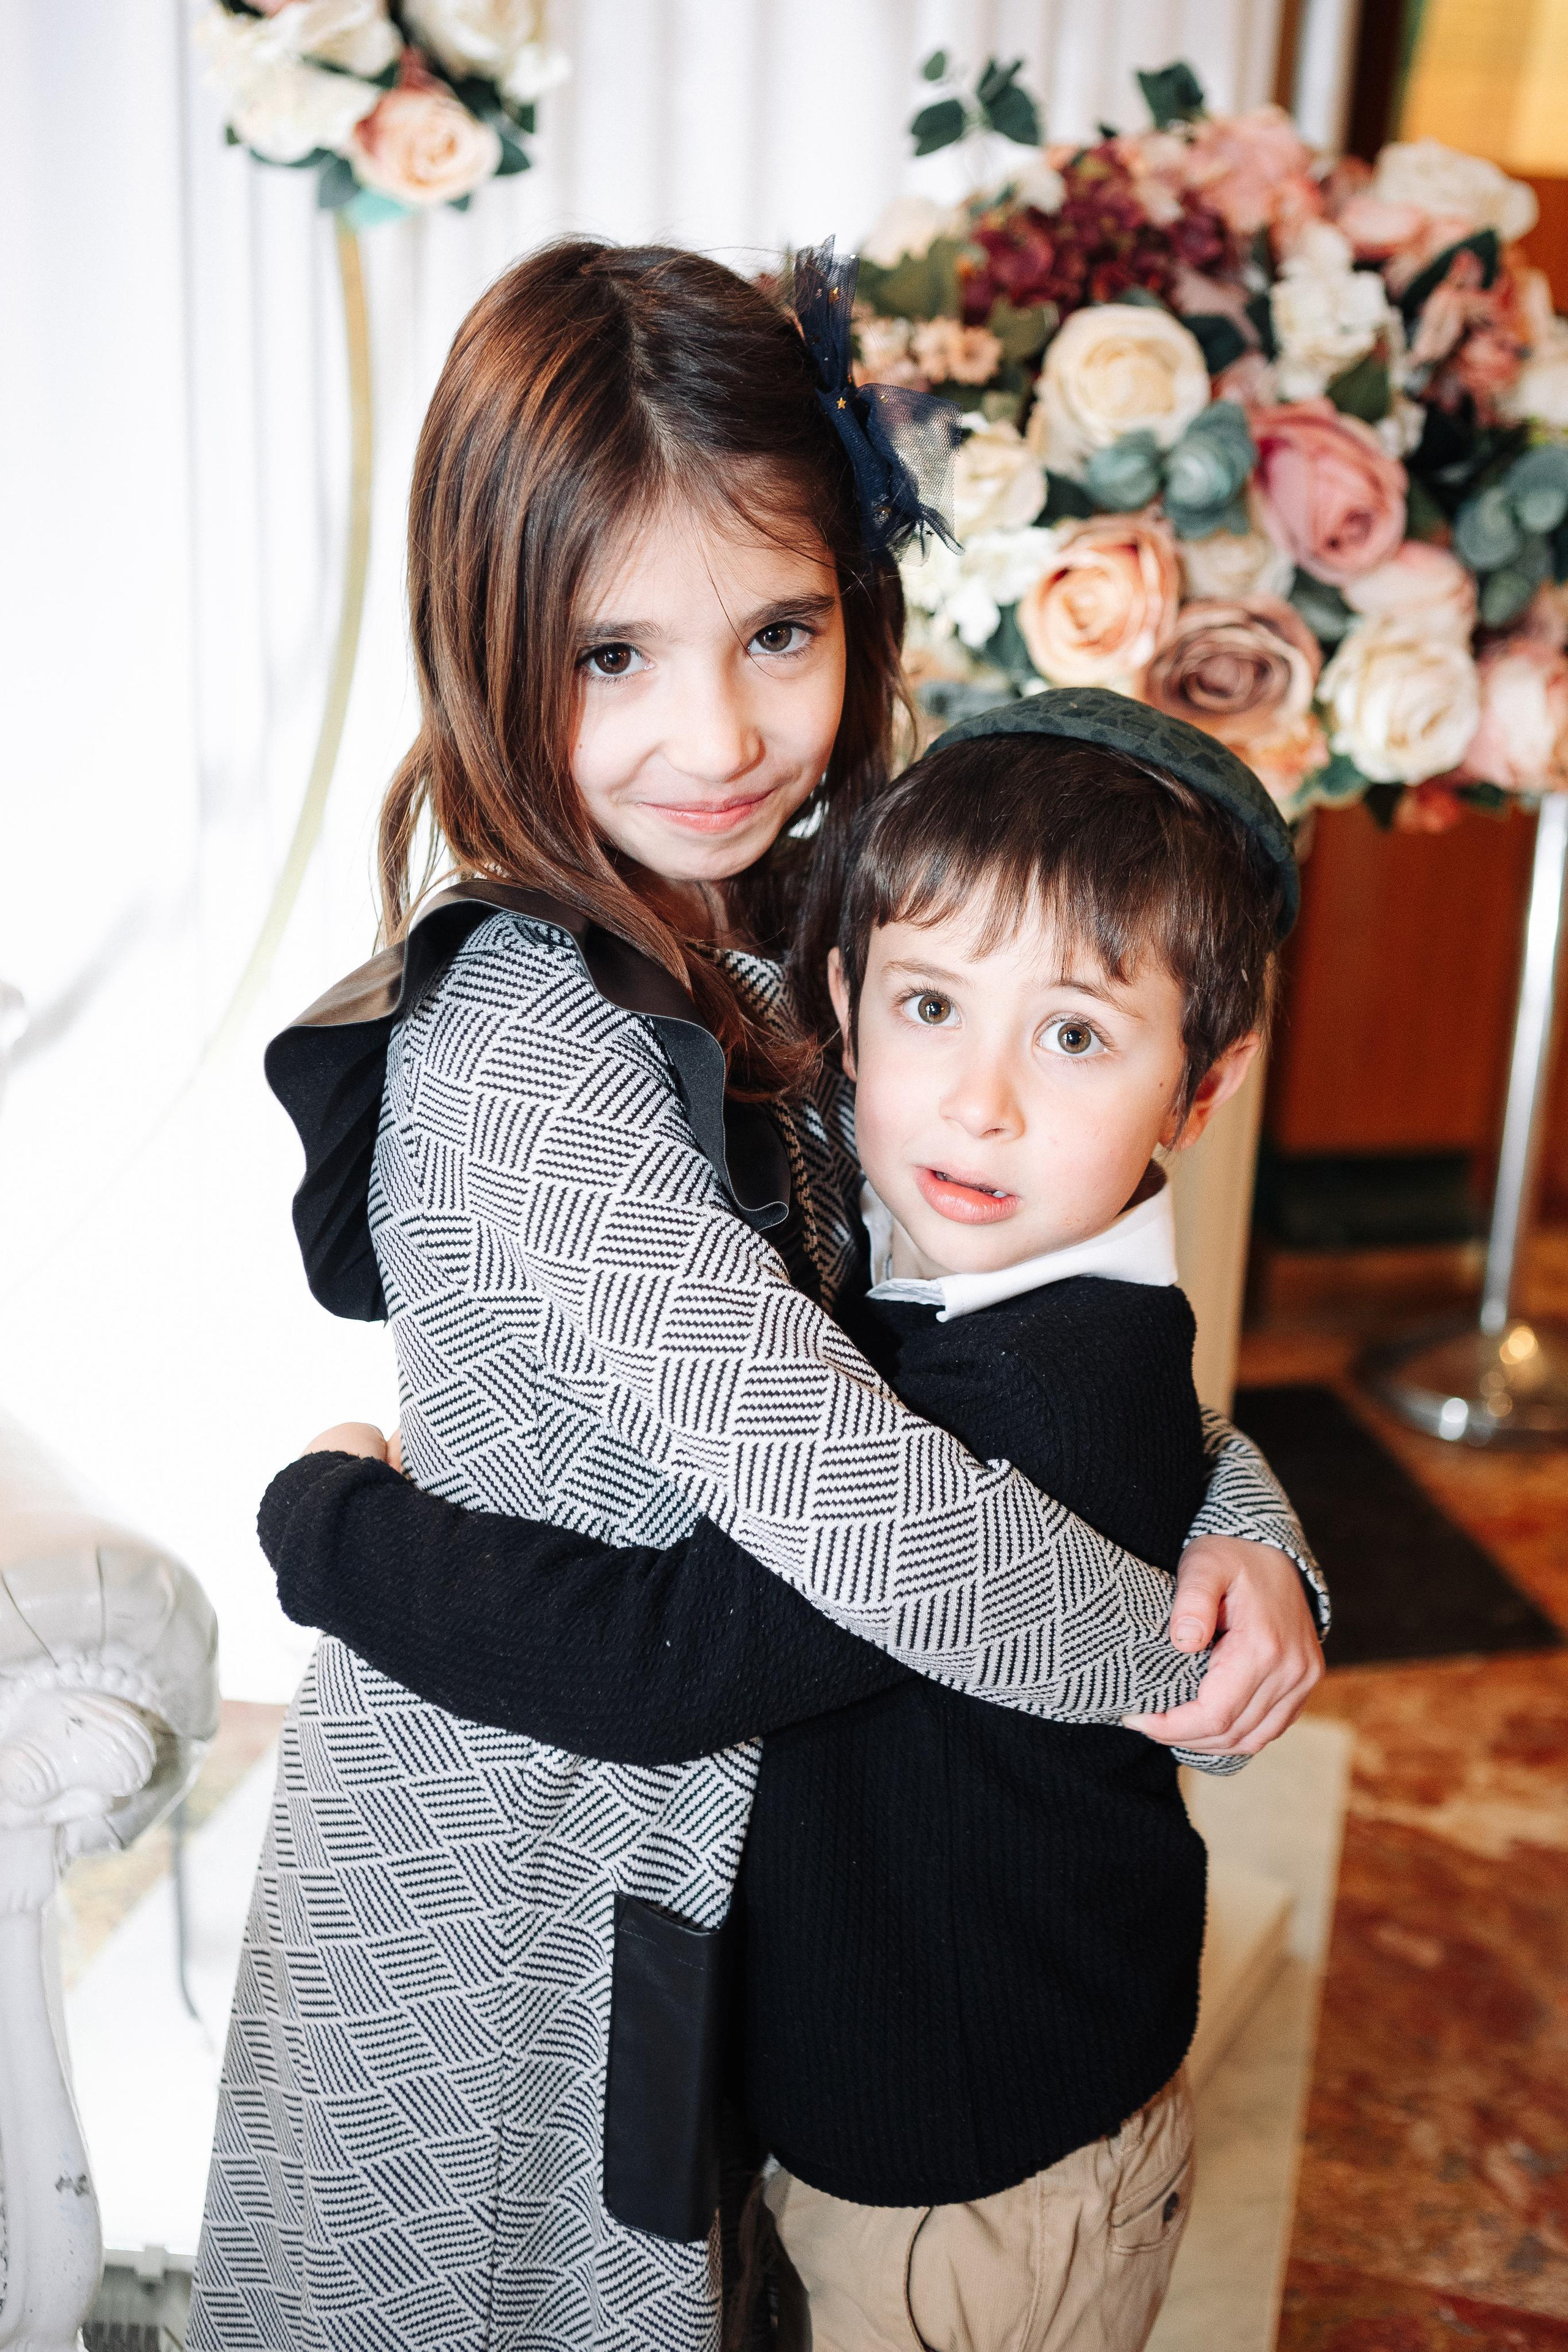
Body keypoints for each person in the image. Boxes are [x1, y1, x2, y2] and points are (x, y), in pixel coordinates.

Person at [188, 240, 1324, 2352]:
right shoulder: (533, 1044)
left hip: (736, 1868)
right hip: (514, 1868)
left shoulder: (800, 920)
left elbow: (978, 1327)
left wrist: (1244, 1522)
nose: (713, 733)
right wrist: (1170, 1656)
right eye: (610, 652)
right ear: (482, 635)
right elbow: (882, 1518)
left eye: (779, 634)